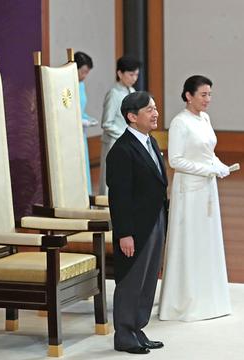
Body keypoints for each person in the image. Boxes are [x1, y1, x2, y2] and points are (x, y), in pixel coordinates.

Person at [159, 75, 232, 321]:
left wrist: (220, 165)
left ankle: (210, 297)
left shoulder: (205, 118)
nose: (207, 99)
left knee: (206, 239)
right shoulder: (180, 122)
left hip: (207, 187)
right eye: (203, 94)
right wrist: (209, 170)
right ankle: (185, 301)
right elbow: (175, 160)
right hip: (189, 188)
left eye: (210, 94)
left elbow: (207, 152)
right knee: (189, 239)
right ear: (189, 96)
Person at [106, 91, 168, 354]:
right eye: (149, 110)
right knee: (131, 279)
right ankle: (124, 333)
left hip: (155, 220)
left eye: (155, 108)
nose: (155, 113)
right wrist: (124, 233)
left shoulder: (151, 143)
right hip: (135, 227)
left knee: (148, 278)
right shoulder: (121, 150)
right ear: (132, 117)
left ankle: (137, 327)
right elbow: (118, 197)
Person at [99, 55, 141, 195]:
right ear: (119, 73)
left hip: (129, 142)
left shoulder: (132, 92)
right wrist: (125, 135)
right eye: (131, 74)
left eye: (136, 74)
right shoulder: (113, 94)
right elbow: (106, 123)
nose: (134, 78)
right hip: (114, 142)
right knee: (112, 178)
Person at [75, 51, 97, 195]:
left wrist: (88, 118)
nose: (84, 76)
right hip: (72, 131)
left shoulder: (81, 85)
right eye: (83, 72)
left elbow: (80, 108)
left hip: (81, 130)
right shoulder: (65, 86)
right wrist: (81, 120)